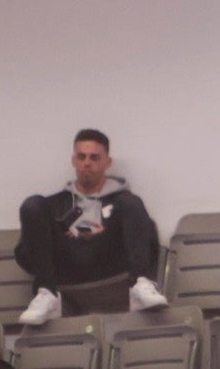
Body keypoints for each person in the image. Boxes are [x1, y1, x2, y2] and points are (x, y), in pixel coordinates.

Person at [15, 128, 166, 325]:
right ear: (74, 160)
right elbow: (28, 251)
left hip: (110, 259)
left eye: (94, 157)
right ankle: (47, 293)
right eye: (82, 157)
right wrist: (71, 233)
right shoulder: (57, 204)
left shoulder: (122, 201)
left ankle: (140, 284)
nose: (87, 163)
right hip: (66, 264)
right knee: (32, 204)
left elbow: (148, 238)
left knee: (132, 202)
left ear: (107, 162)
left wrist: (103, 232)